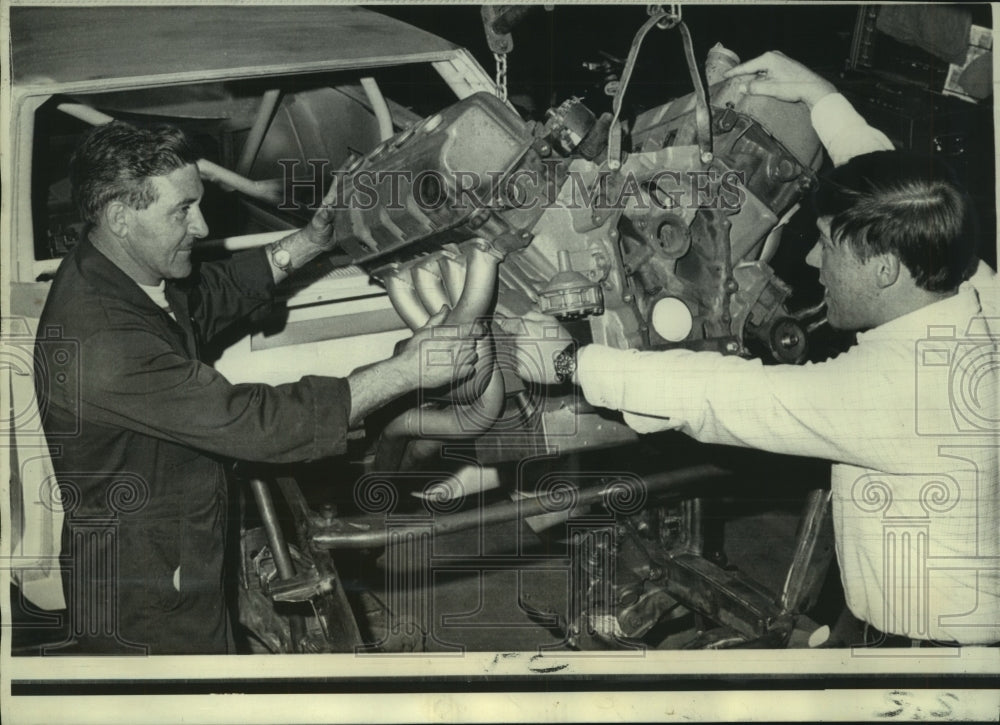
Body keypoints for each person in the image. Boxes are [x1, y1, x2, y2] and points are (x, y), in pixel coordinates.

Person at [510, 52, 999, 646]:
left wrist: (571, 362)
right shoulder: (973, 291)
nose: (814, 262)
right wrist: (821, 99)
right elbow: (892, 190)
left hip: (919, 660)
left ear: (886, 269)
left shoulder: (900, 391)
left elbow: (726, 395)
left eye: (827, 246)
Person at [35, 121, 480, 654]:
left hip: (175, 547)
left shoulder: (112, 268)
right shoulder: (104, 341)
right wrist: (405, 372)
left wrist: (311, 240)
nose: (201, 226)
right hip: (146, 594)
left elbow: (209, 295)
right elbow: (253, 423)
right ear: (119, 218)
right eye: (182, 210)